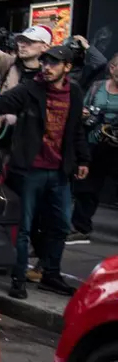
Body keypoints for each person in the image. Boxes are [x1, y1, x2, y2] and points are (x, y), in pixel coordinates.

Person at [0, 44, 91, 298]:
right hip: (30, 169)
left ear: (67, 67)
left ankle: (51, 274)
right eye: (45, 63)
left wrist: (83, 160)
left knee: (60, 226)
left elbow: (76, 129)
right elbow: (2, 103)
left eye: (54, 64)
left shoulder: (75, 92)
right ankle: (18, 279)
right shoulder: (30, 89)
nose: (47, 68)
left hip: (60, 170)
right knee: (24, 227)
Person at [70, 53, 118, 242]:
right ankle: (81, 228)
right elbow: (85, 107)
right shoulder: (98, 87)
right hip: (95, 143)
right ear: (112, 68)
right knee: (87, 188)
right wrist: (84, 114)